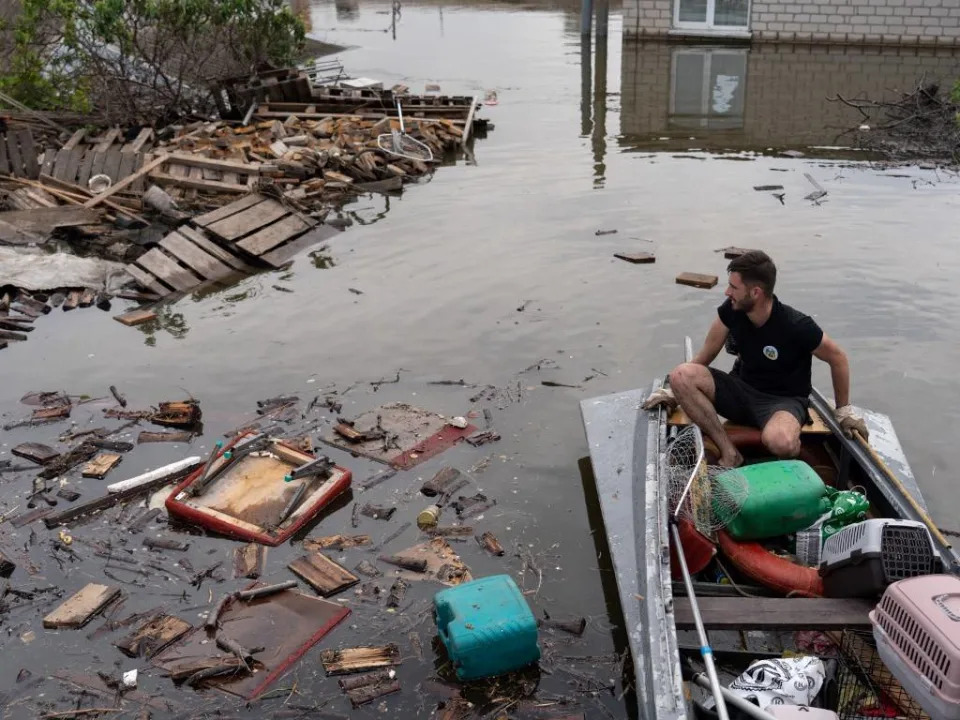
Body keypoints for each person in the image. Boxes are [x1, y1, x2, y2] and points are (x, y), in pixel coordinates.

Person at [643, 250, 868, 467]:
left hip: (783, 401)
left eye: (733, 287)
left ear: (756, 292)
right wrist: (675, 391)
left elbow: (838, 358)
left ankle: (802, 460)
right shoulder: (731, 311)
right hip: (740, 390)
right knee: (681, 374)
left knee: (781, 442)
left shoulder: (796, 325)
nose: (727, 293)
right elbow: (705, 357)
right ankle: (729, 453)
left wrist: (843, 410)